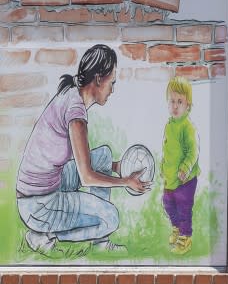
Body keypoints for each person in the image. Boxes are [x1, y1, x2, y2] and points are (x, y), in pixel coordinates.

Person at [16, 44, 150, 254]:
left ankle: (100, 243)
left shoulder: (71, 95)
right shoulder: (76, 114)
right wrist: (126, 182)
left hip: (48, 186)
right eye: (111, 83)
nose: (112, 90)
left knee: (104, 155)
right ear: (98, 79)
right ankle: (44, 236)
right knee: (111, 218)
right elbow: (86, 177)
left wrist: (119, 167)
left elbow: (86, 163)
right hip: (39, 205)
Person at [160, 76, 201, 255]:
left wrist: (185, 167)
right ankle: (176, 227)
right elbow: (167, 149)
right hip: (171, 177)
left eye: (180, 101)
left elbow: (193, 152)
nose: (175, 106)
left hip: (186, 179)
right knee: (168, 203)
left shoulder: (187, 127)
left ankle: (185, 238)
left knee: (184, 207)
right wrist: (163, 167)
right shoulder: (169, 125)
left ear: (188, 105)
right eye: (172, 101)